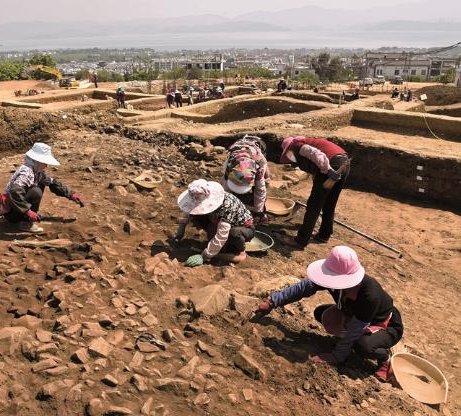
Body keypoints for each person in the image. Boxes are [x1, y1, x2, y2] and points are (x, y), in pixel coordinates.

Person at [254, 246, 403, 381]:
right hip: (353, 314)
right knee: (322, 314)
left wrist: (336, 357)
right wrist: (272, 302)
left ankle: (384, 357)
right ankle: (352, 343)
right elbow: (303, 287)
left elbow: (355, 330)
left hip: (386, 325)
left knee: (362, 346)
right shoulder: (335, 280)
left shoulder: (369, 295)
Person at [279, 136, 350, 249]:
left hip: (331, 163)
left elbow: (316, 154)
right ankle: (324, 234)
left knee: (314, 205)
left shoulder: (297, 146)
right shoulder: (311, 142)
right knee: (329, 202)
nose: (289, 157)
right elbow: (315, 170)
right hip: (343, 162)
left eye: (287, 153)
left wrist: (328, 170)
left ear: (289, 148)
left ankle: (300, 240)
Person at [0, 143, 84, 233]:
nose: (46, 165)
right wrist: (28, 211)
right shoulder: (27, 172)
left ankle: (26, 217)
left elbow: (53, 183)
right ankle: (26, 223)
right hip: (12, 214)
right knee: (36, 191)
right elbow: (14, 192)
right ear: (37, 161)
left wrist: (71, 194)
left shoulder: (36, 172)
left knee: (41, 184)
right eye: (45, 162)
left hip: (16, 209)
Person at [172, 179, 255, 267]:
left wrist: (205, 256)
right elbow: (190, 208)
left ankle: (240, 251)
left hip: (244, 228)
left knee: (234, 233)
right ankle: (216, 247)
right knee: (196, 214)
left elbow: (221, 235)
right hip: (217, 221)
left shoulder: (226, 207)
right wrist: (182, 226)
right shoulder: (203, 197)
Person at [222, 136, 270, 225]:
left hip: (256, 146)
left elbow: (260, 192)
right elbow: (225, 192)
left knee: (264, 185)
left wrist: (258, 212)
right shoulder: (228, 168)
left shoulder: (259, 166)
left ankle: (262, 216)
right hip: (238, 147)